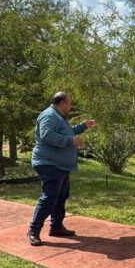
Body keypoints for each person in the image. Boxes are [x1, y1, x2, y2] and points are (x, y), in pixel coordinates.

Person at [27, 92, 95, 246]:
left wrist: (83, 126)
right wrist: (70, 140)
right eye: (70, 103)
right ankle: (33, 230)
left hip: (61, 165)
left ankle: (56, 227)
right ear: (62, 103)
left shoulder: (59, 117)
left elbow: (67, 132)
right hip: (48, 163)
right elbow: (46, 135)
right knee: (50, 197)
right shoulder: (49, 115)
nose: (71, 106)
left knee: (60, 196)